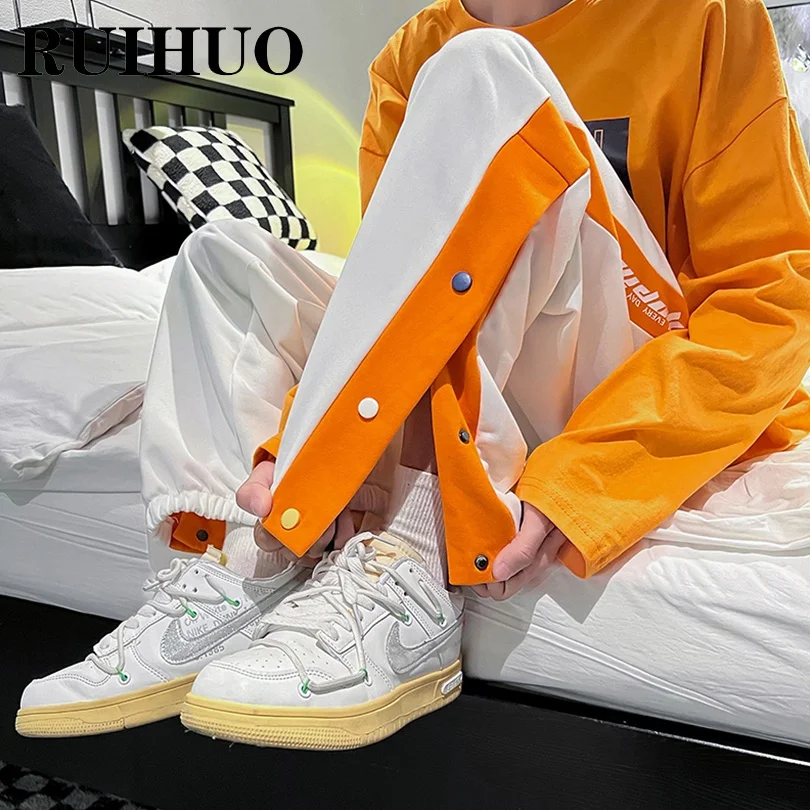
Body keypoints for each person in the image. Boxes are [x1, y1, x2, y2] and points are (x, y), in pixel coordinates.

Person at [17, 0, 810, 749]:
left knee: (486, 67)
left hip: (620, 374)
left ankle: (415, 553)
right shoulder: (408, 56)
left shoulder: (697, 15)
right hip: (491, 362)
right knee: (221, 261)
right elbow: (403, 299)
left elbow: (773, 297)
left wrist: (596, 476)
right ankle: (229, 573)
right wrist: (307, 448)